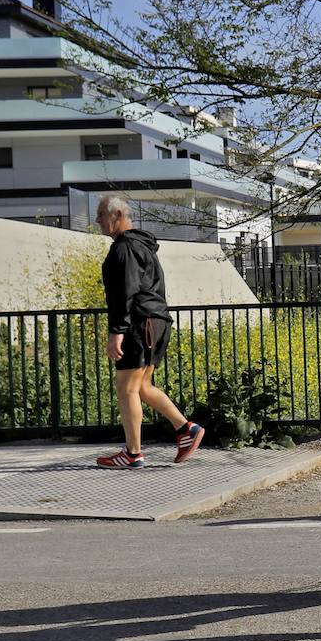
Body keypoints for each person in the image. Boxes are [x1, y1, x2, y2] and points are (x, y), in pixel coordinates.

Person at [95, 195, 204, 468]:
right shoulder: (142, 245)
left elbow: (125, 292)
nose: (97, 220)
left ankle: (132, 454)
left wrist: (116, 332)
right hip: (155, 322)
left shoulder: (125, 248)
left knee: (126, 387)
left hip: (139, 323)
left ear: (117, 214)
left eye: (100, 215)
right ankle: (186, 429)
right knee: (142, 386)